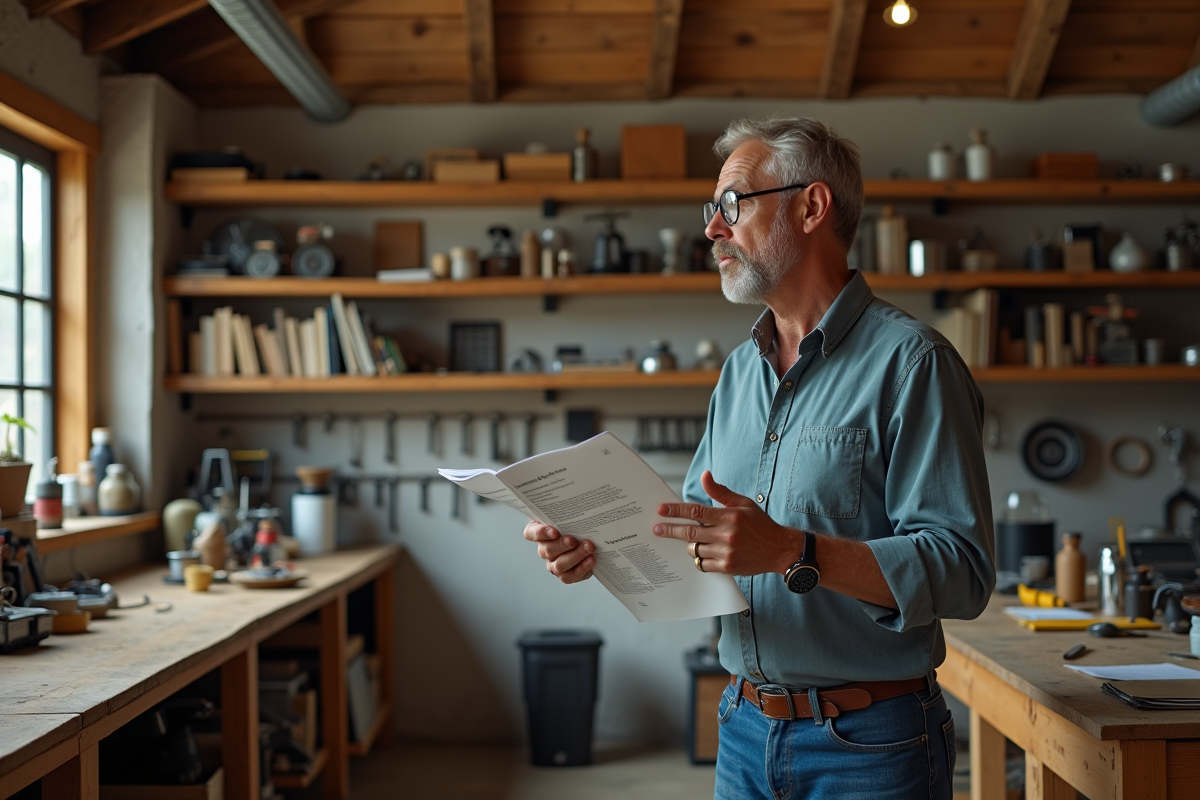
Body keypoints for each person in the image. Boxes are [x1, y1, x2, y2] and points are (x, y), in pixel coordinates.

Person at [523, 117, 995, 799]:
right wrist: (597, 546)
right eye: (712, 211)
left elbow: (963, 572)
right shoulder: (739, 375)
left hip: (871, 746)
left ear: (811, 207)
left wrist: (792, 551)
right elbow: (699, 547)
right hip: (743, 730)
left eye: (733, 204)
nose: (713, 229)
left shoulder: (914, 364)